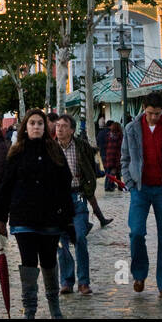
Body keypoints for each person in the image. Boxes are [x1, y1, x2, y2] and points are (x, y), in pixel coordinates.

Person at [0, 109, 73, 319]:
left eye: (40, 123)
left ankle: (54, 305)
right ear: (25, 127)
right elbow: (6, 185)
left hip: (50, 219)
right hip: (23, 218)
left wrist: (67, 218)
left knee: (48, 262)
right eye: (32, 123)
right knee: (28, 263)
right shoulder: (16, 152)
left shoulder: (54, 151)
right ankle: (30, 310)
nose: (36, 127)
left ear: (45, 128)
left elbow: (65, 185)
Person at [120, 93, 162, 299]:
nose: (153, 117)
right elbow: (125, 158)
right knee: (136, 233)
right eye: (150, 113)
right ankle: (139, 274)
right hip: (140, 189)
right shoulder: (132, 129)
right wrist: (130, 183)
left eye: (157, 114)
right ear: (144, 109)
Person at [54, 113, 98, 296]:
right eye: (57, 126)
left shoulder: (81, 147)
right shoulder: (51, 149)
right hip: (58, 199)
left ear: (72, 130)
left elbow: (92, 169)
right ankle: (66, 281)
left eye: (64, 126)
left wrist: (88, 190)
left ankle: (84, 282)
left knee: (80, 237)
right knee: (61, 241)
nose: (60, 129)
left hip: (78, 196)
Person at [103, 120, 123, 191]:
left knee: (114, 171)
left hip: (109, 155)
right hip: (116, 155)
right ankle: (108, 186)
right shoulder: (120, 135)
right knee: (114, 171)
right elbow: (121, 146)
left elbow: (105, 145)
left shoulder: (108, 135)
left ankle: (120, 186)